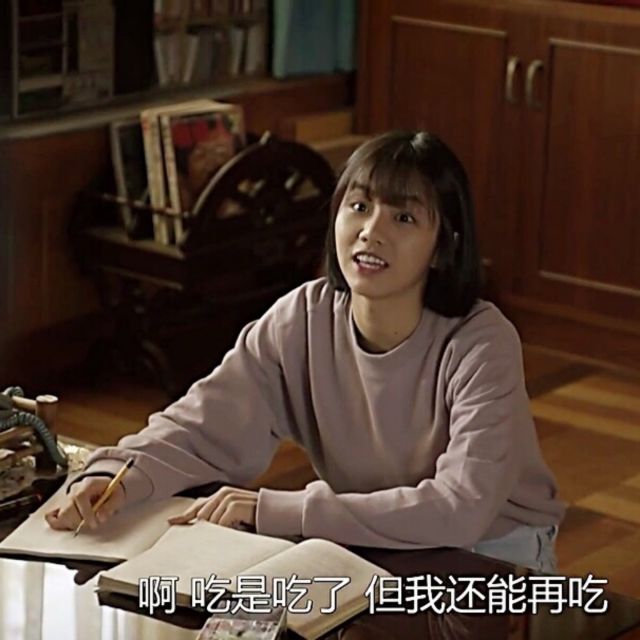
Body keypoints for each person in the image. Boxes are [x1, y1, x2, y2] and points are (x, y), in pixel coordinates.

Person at [46, 130, 564, 574]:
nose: (371, 231)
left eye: (404, 218)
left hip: (491, 551)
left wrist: (280, 511)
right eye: (358, 206)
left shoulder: (481, 342)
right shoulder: (304, 318)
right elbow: (203, 425)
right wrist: (116, 474)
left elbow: (460, 508)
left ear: (444, 245)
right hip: (369, 540)